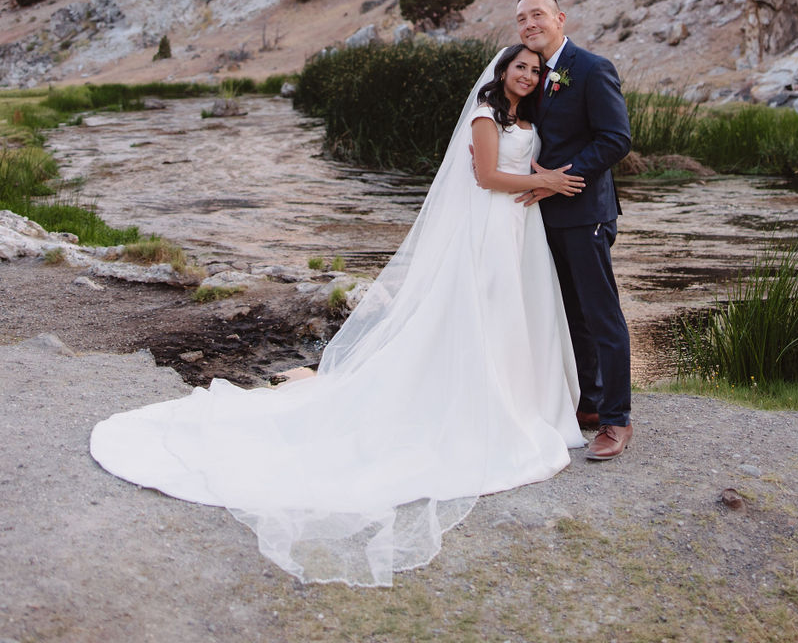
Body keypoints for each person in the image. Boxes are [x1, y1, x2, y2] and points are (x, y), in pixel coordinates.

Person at [90, 44, 586, 587]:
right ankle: (486, 406)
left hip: (518, 229)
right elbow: (488, 177)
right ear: (503, 71)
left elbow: (515, 166)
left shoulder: (526, 114)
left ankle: (516, 399)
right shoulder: (486, 114)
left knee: (511, 317)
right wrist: (547, 183)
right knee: (488, 315)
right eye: (521, 67)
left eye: (536, 70)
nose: (529, 75)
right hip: (490, 229)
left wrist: (541, 177)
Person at [514, 0, 634, 460]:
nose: (529, 24)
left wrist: (560, 179)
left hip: (585, 212)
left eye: (537, 14)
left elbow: (616, 139)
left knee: (601, 314)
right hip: (543, 216)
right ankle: (590, 401)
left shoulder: (591, 67)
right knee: (570, 313)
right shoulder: (530, 73)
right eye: (521, 19)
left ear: (560, 18)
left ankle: (617, 420)